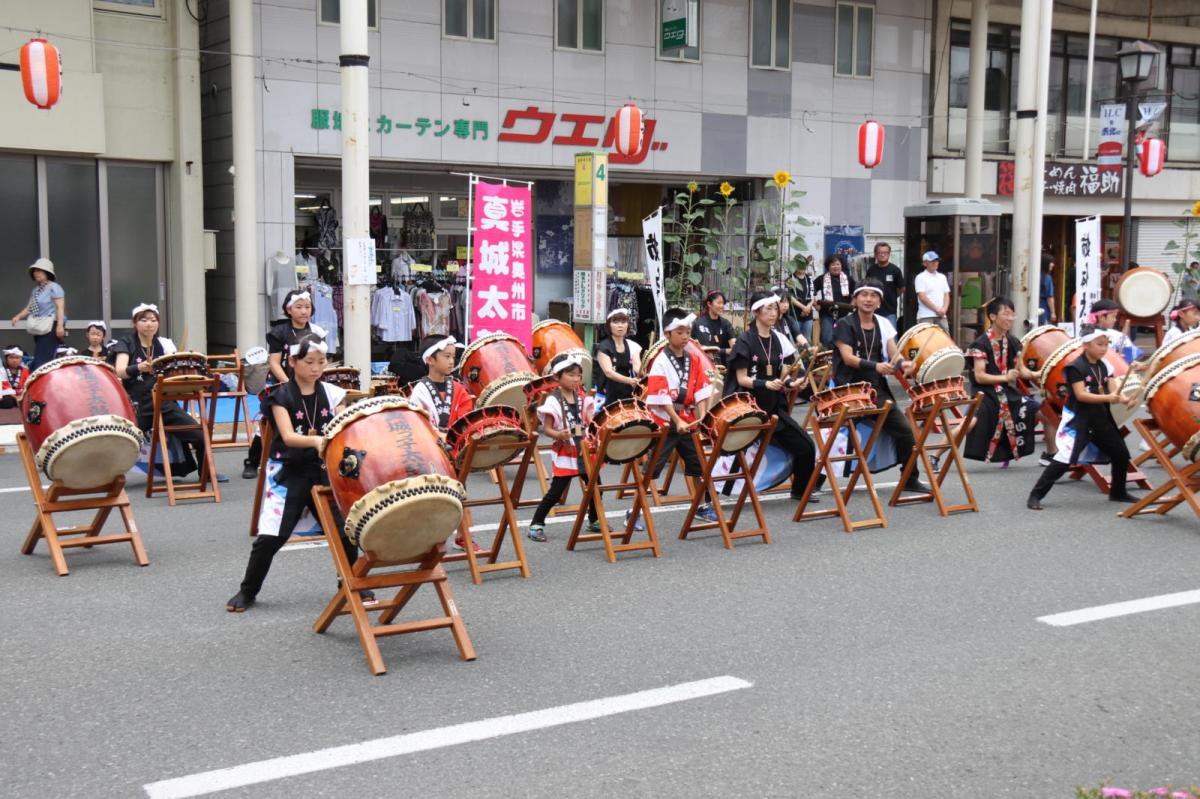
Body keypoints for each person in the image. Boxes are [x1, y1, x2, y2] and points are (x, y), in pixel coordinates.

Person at [226, 333, 366, 611]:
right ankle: (248, 590)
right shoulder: (279, 395)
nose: (316, 368)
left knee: (345, 531)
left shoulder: (332, 393)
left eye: (321, 362)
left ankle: (350, 585)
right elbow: (289, 437)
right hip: (288, 472)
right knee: (272, 536)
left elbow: (341, 426)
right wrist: (318, 441)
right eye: (309, 361)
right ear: (292, 362)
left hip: (323, 470)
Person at [831, 279, 928, 493]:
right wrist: (876, 366)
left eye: (873, 295)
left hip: (876, 391)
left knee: (905, 431)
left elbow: (894, 355)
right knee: (836, 435)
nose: (868, 299)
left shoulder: (883, 323)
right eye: (863, 295)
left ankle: (910, 478)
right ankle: (815, 480)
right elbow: (847, 358)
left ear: (879, 301)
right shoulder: (844, 325)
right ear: (855, 299)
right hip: (847, 390)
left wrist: (904, 364)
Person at [1026, 326, 1139, 509]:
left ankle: (1117, 492)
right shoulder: (1075, 367)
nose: (1104, 348)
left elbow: (1113, 390)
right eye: (1100, 344)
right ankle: (1035, 495)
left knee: (1121, 453)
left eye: (1106, 344)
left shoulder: (1104, 365)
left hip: (1100, 418)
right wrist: (1108, 398)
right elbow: (1081, 395)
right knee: (1064, 459)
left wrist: (1125, 399)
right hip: (1079, 419)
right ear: (1086, 345)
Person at [727, 291, 818, 502]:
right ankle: (711, 491)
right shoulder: (745, 340)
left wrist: (793, 383)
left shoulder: (779, 338)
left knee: (806, 446)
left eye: (775, 308)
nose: (773, 312)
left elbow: (787, 370)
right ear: (756, 312)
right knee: (729, 451)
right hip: (749, 408)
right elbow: (741, 379)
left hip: (773, 407)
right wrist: (765, 383)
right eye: (768, 308)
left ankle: (800, 490)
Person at [111, 303, 214, 481]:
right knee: (124, 442)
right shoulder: (126, 343)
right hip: (137, 404)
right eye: (143, 320)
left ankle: (206, 473)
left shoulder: (164, 345)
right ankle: (108, 477)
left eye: (153, 320)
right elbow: (119, 371)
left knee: (199, 434)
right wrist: (139, 367)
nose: (149, 324)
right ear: (135, 323)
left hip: (164, 401)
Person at [243, 289, 327, 479]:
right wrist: (290, 384)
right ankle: (253, 461)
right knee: (268, 423)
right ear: (289, 310)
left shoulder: (317, 332)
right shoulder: (280, 332)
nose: (304, 311)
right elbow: (274, 362)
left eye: (307, 307)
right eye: (299, 307)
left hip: (310, 383)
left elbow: (320, 359)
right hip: (284, 382)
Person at [646, 308, 719, 522]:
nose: (686, 336)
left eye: (687, 331)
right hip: (667, 422)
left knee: (698, 466)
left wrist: (703, 416)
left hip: (688, 420)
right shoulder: (660, 361)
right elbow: (661, 395)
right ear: (667, 334)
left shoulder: (693, 359)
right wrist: (676, 420)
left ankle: (702, 505)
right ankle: (636, 509)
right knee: (653, 467)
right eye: (680, 332)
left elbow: (702, 392)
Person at [526, 353, 600, 543]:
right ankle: (536, 523)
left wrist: (595, 427)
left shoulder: (582, 398)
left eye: (578, 375)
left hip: (583, 447)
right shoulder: (552, 401)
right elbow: (548, 429)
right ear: (558, 377)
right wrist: (560, 435)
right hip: (566, 449)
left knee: (595, 485)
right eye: (571, 375)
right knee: (556, 491)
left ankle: (593, 519)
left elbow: (586, 422)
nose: (576, 379)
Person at [964, 297, 1045, 463]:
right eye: (1006, 314)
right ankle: (935, 455)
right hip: (985, 394)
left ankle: (1051, 455)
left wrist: (1037, 374)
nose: (1010, 318)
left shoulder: (1013, 341)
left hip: (1008, 393)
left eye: (1012, 314)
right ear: (993, 317)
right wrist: (1005, 377)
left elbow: (1021, 370)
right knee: (969, 423)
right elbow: (979, 376)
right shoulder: (980, 344)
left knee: (1044, 412)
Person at [10, 258, 66, 370]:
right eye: (35, 271)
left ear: (47, 273)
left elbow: (60, 307)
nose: (36, 273)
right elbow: (29, 308)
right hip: (39, 327)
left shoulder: (54, 287)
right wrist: (18, 317)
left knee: (43, 361)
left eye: (40, 270)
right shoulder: (36, 290)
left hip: (51, 326)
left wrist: (60, 325)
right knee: (39, 359)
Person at [595, 308, 643, 407]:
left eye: (623, 322)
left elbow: (637, 368)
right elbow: (609, 372)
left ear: (628, 325)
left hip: (627, 392)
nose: (620, 325)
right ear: (609, 325)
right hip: (607, 392)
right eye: (616, 322)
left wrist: (645, 372)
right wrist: (630, 381)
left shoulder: (633, 345)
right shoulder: (604, 346)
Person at [1087, 299, 1142, 365]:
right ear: (1101, 317)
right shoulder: (1117, 335)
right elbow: (1129, 359)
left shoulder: (1084, 334)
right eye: (1113, 316)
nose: (1115, 320)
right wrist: (1115, 358)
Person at [816, 255, 856, 348]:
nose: (836, 267)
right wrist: (815, 305)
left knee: (844, 340)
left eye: (838, 264)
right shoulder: (821, 279)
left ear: (841, 265)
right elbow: (810, 292)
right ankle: (828, 361)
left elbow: (856, 295)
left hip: (844, 316)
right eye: (833, 265)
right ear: (828, 266)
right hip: (827, 314)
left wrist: (851, 307)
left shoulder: (848, 279)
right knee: (827, 339)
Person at [691, 290, 736, 367]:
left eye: (723, 303)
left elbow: (734, 346)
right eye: (719, 303)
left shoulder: (726, 324)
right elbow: (704, 350)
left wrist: (735, 347)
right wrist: (726, 351)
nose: (722, 306)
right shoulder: (699, 324)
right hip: (704, 366)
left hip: (724, 366)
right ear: (709, 304)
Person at [864, 242, 904, 326]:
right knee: (874, 336)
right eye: (880, 252)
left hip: (890, 311)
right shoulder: (871, 270)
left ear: (889, 254)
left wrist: (893, 295)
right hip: (873, 310)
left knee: (891, 337)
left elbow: (902, 288)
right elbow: (866, 287)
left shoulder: (895, 270)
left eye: (885, 253)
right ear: (875, 254)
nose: (882, 255)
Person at [914, 251, 951, 333]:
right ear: (925, 263)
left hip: (941, 315)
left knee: (945, 341)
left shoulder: (942, 277)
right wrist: (937, 309)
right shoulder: (920, 277)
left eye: (936, 261)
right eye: (932, 261)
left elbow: (946, 294)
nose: (935, 263)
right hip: (926, 315)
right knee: (926, 341)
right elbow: (922, 297)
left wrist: (944, 309)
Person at [787, 257, 816, 344]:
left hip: (808, 314)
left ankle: (807, 357)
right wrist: (804, 308)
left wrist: (808, 308)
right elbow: (790, 297)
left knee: (807, 339)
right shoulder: (790, 279)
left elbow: (812, 296)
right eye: (799, 264)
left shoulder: (809, 279)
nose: (802, 267)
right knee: (796, 339)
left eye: (804, 264)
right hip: (795, 313)